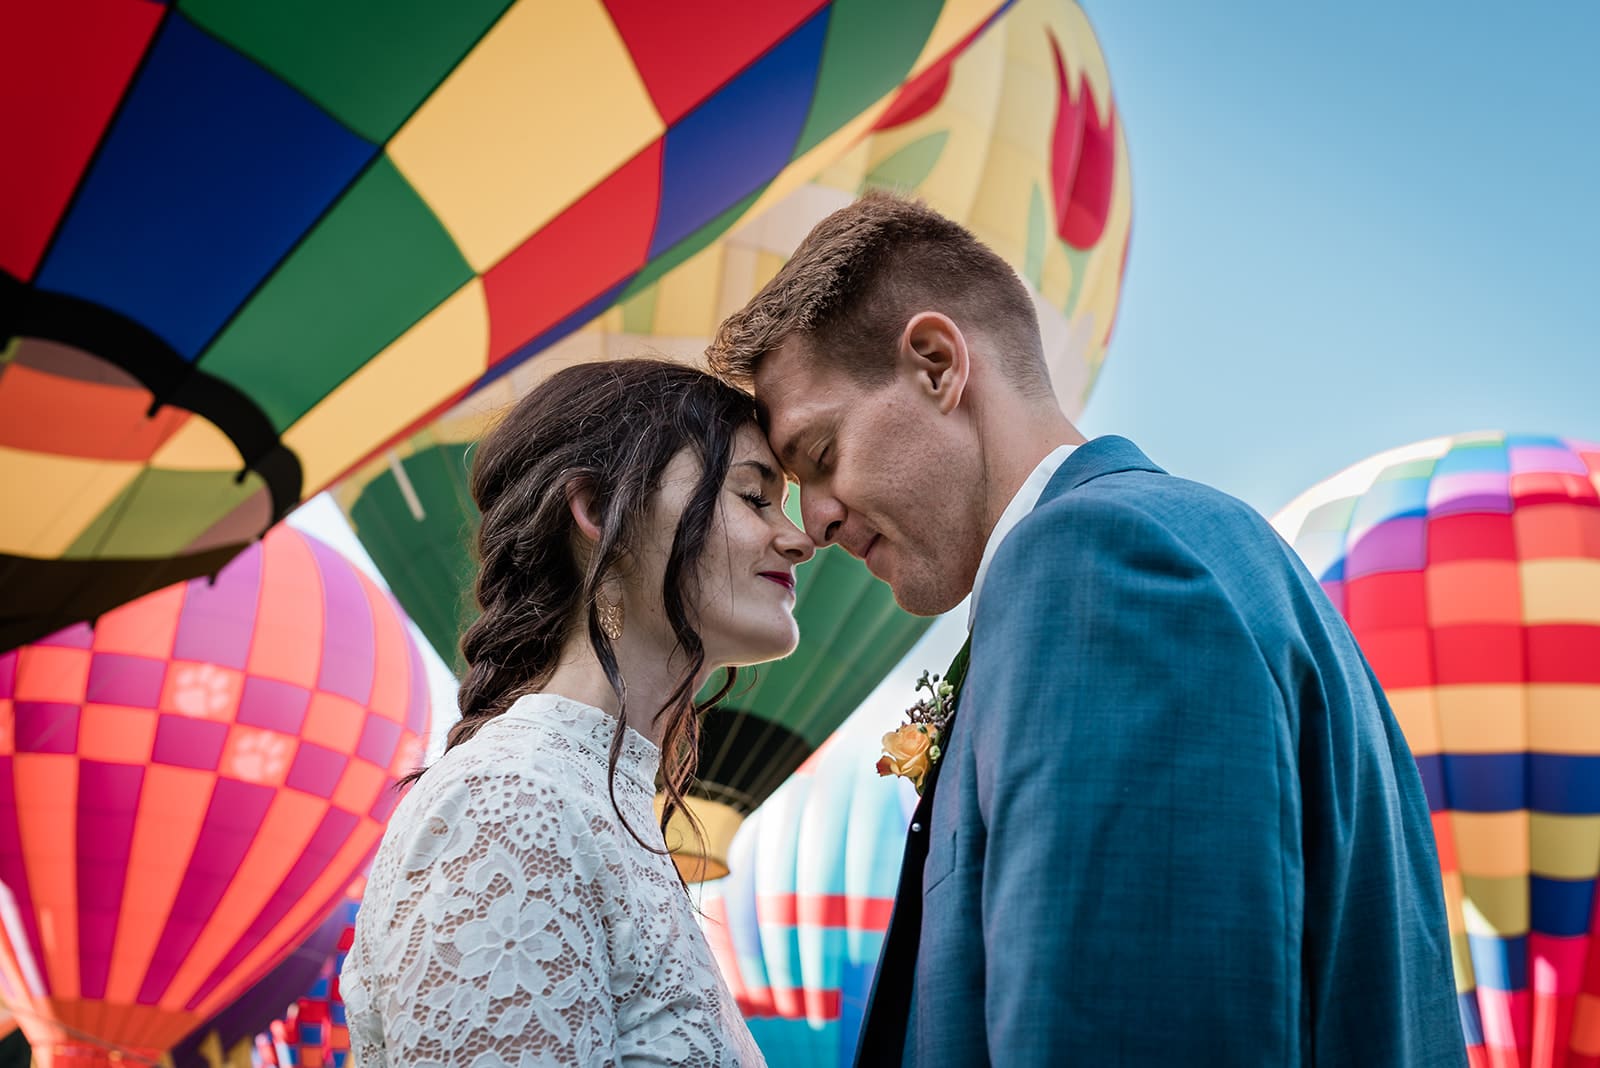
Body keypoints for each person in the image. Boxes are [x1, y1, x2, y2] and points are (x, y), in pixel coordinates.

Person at [706, 192, 1465, 1066]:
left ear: (936, 364)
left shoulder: (1091, 564)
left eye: (822, 455)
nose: (817, 522)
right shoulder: (1209, 544)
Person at [342, 360, 809, 1067]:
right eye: (753, 496)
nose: (798, 537)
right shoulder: (509, 801)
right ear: (596, 511)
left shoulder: (600, 808)